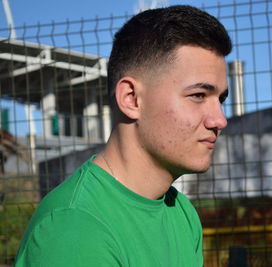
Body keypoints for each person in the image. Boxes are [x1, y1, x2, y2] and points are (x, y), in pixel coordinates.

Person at [15, 5, 232, 267]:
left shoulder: (182, 213)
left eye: (220, 99)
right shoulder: (75, 228)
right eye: (198, 95)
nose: (220, 119)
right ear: (131, 99)